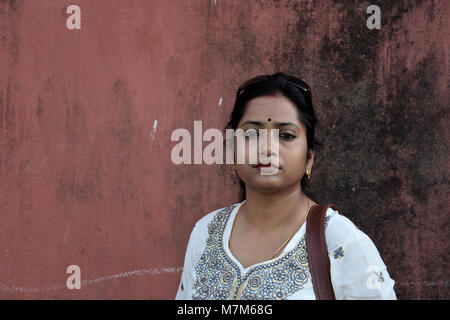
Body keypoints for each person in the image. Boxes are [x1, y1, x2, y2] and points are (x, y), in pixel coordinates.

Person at [175, 72, 396, 300]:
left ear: (309, 157)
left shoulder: (341, 241)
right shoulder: (206, 231)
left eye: (286, 135)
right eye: (252, 134)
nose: (267, 148)